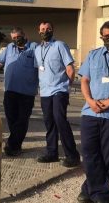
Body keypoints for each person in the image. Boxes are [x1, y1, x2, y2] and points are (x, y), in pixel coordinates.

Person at [77, 20, 109, 203]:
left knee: (108, 157)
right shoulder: (93, 55)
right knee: (89, 153)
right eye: (106, 37)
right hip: (91, 112)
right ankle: (99, 193)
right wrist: (90, 101)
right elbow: (84, 81)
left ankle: (93, 193)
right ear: (102, 38)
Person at [34, 21, 80, 167]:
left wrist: (67, 85)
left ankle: (72, 155)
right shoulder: (37, 49)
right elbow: (39, 69)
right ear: (39, 31)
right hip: (45, 92)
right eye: (42, 29)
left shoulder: (60, 45)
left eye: (48, 29)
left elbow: (70, 69)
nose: (45, 31)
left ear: (53, 30)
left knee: (60, 120)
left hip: (59, 90)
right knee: (49, 122)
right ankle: (51, 153)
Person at [0, 27, 38, 156]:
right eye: (13, 38)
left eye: (18, 37)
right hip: (10, 90)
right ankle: (15, 145)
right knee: (11, 119)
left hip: (27, 92)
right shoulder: (9, 47)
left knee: (22, 119)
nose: (15, 40)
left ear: (24, 35)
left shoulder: (34, 48)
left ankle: (12, 145)